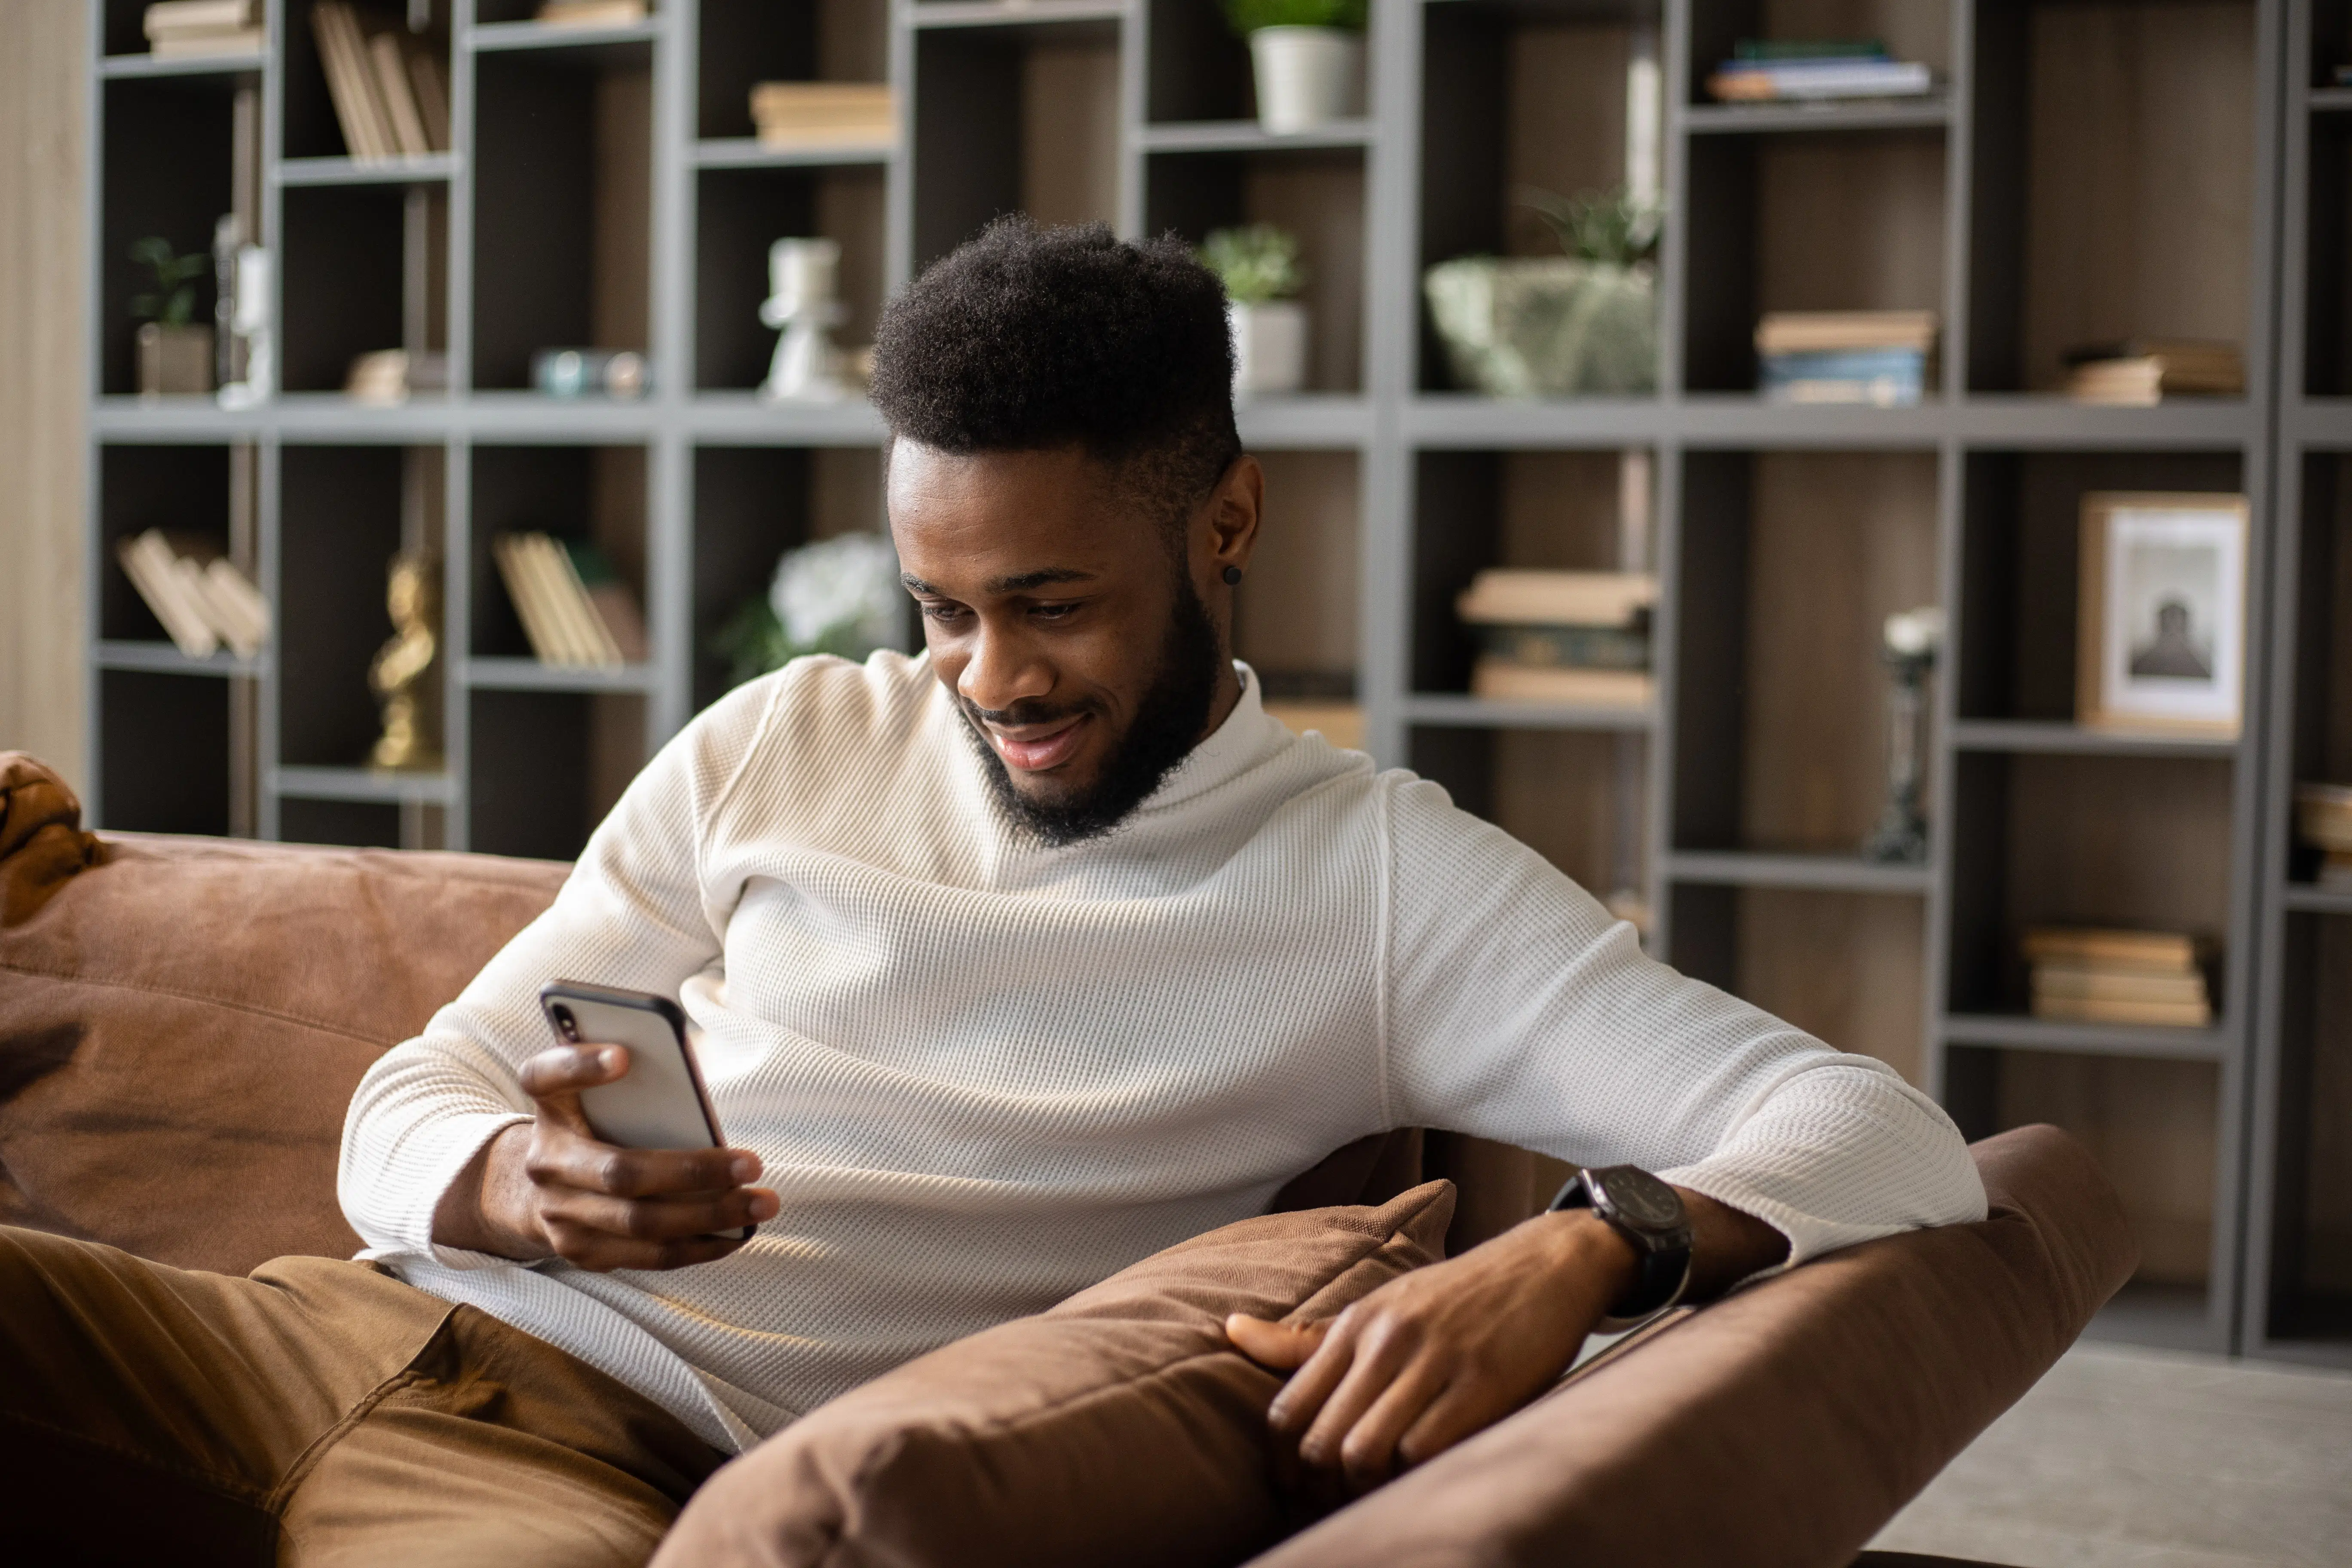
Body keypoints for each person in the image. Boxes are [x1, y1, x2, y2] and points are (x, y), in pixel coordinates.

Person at [0, 219, 1984, 1563]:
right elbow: (412, 1091)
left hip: (602, 1467)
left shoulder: (1378, 882)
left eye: (1052, 605)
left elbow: (1884, 1133)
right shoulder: (792, 733)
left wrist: (1584, 1252)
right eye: (940, 607)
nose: (988, 679)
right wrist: (513, 1185)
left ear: (1226, 523)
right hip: (305, 1324)